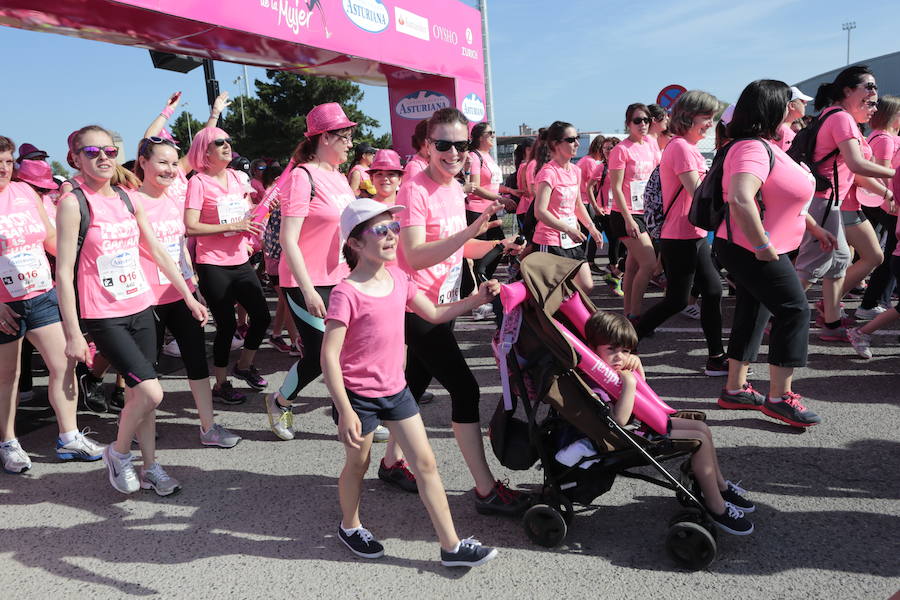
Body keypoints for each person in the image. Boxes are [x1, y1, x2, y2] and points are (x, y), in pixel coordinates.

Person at [322, 198, 499, 567]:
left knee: (426, 464)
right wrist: (344, 410)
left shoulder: (401, 278)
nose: (390, 236)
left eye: (394, 229)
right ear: (355, 243)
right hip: (359, 397)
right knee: (358, 465)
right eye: (380, 230)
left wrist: (475, 299)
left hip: (397, 391)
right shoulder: (345, 292)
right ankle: (350, 525)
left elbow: (434, 314)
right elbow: (329, 356)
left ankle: (451, 547)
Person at [55, 125, 208, 494]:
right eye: (92, 153)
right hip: (103, 313)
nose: (103, 158)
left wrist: (188, 296)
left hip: (140, 304)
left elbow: (158, 250)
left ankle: (151, 466)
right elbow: (62, 272)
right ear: (75, 158)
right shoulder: (73, 202)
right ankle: (119, 453)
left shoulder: (128, 197)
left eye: (108, 150)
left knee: (143, 396)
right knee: (152, 392)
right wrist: (74, 333)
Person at [399, 107, 530, 516]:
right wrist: (474, 230)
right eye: (443, 145)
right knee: (465, 389)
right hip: (418, 307)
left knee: (413, 385)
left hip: (447, 300)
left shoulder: (455, 187)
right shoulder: (414, 188)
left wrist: (497, 246)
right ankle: (485, 489)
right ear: (426, 146)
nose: (454, 153)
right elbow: (415, 256)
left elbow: (459, 248)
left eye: (461, 145)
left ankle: (388, 463)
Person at [713, 80, 827, 428]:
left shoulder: (763, 145)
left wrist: (810, 228)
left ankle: (735, 388)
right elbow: (740, 197)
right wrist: (763, 246)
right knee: (794, 311)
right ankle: (779, 398)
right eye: (786, 103)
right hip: (754, 248)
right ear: (771, 109)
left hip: (755, 247)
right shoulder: (750, 148)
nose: (791, 108)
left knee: (754, 310)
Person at [584, 311, 754, 535]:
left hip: (640, 426)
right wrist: (630, 384)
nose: (619, 357)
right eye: (612, 350)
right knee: (698, 440)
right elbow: (619, 419)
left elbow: (642, 397)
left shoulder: (613, 370)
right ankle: (716, 505)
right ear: (593, 348)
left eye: (625, 351)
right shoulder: (594, 379)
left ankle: (719, 486)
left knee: (702, 428)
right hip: (625, 435)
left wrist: (637, 370)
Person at [0, 135, 106, 474]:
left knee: (65, 364)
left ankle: (69, 436)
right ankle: (8, 443)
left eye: (7, 161)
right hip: (5, 305)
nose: (3, 168)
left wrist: (83, 258)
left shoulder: (25, 193)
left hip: (41, 294)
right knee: (8, 377)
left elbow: (47, 237)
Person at [134, 137, 241, 448]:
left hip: (181, 294)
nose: (170, 169)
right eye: (162, 162)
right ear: (143, 163)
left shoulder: (171, 200)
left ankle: (208, 428)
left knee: (197, 361)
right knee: (145, 371)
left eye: (173, 163)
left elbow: (179, 245)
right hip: (147, 299)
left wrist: (191, 281)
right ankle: (139, 425)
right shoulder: (132, 202)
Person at [265, 103, 359, 442]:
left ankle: (349, 416)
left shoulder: (339, 178)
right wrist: (306, 290)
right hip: (305, 281)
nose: (351, 143)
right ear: (325, 137)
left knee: (346, 350)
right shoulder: (301, 177)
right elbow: (289, 239)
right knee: (321, 353)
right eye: (346, 136)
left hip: (340, 278)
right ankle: (280, 401)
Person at [794, 66, 895, 343]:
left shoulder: (836, 116)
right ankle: (771, 315)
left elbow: (856, 171)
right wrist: (894, 175)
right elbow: (856, 163)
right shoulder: (841, 118)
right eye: (869, 87)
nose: (874, 94)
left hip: (830, 203)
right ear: (848, 90)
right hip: (824, 203)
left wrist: (886, 191)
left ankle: (831, 322)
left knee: (839, 262)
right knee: (811, 267)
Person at [635, 91, 728, 376]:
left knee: (711, 291)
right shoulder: (682, 149)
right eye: (706, 117)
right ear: (688, 116)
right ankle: (622, 340)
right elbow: (698, 194)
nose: (710, 123)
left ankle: (715, 357)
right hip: (680, 234)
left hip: (690, 233)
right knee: (678, 299)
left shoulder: (683, 146)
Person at [184, 127, 272, 404]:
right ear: (204, 152)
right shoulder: (198, 182)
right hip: (212, 264)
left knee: (262, 317)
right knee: (225, 326)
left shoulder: (237, 177)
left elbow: (248, 214)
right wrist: (232, 226)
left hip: (240, 259)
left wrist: (265, 211)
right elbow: (190, 226)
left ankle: (244, 366)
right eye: (218, 143)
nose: (225, 146)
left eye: (227, 142)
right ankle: (221, 384)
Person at [532, 120, 602, 292]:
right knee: (553, 292)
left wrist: (591, 228)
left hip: (571, 240)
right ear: (556, 144)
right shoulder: (549, 172)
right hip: (550, 241)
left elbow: (577, 204)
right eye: (571, 140)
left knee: (586, 285)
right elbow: (539, 212)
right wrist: (567, 229)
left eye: (577, 138)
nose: (577, 143)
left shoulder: (575, 170)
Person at [607, 104, 660, 322]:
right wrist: (629, 219)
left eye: (646, 120)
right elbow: (616, 187)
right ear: (628, 124)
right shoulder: (621, 150)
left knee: (633, 266)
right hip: (625, 215)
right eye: (637, 120)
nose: (643, 124)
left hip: (646, 211)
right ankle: (636, 315)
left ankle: (627, 314)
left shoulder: (650, 144)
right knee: (649, 264)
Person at [461, 122, 517, 317]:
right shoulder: (474, 156)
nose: (494, 135)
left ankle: (480, 290)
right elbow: (475, 187)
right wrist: (500, 198)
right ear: (479, 137)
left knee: (498, 249)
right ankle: (476, 299)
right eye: (490, 133)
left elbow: (492, 185)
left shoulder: (488, 157)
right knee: (482, 255)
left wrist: (509, 191)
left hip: (490, 210)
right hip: (476, 211)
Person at [856, 96, 900, 320]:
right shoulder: (885, 139)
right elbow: (882, 172)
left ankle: (874, 300)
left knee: (884, 252)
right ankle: (871, 302)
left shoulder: (881, 136)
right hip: (887, 203)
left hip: (881, 201)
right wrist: (891, 201)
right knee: (891, 253)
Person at [578, 136, 605, 267]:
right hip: (586, 202)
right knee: (592, 232)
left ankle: (584, 262)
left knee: (586, 233)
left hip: (584, 201)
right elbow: (593, 185)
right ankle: (587, 262)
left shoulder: (585, 160)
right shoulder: (591, 162)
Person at [774, 87, 813, 152]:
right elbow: (785, 159)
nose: (805, 104)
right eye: (803, 101)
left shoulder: (780, 128)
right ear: (792, 105)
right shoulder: (784, 131)